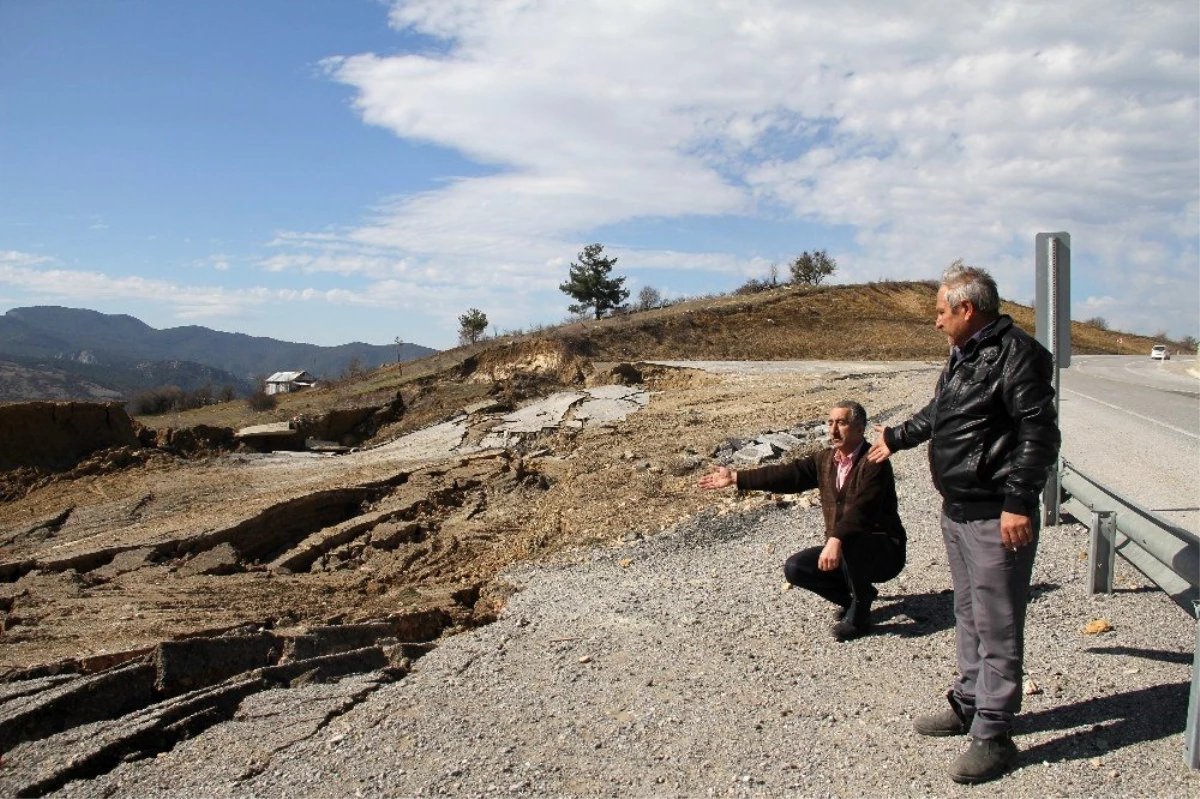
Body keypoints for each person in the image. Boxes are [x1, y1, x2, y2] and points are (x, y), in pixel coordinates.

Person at [867, 261, 1060, 785]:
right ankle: (969, 701)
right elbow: (941, 413)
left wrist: (1020, 502)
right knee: (969, 613)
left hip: (998, 515)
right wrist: (898, 436)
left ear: (966, 309)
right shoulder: (964, 354)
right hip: (959, 510)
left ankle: (994, 733)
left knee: (997, 622)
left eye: (940, 312)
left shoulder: (1019, 357)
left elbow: (1039, 435)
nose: (936, 322)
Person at [698, 400, 906, 641]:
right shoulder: (825, 460)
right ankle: (858, 599)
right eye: (830, 423)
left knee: (850, 540)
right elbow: (787, 475)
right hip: (844, 548)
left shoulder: (874, 462)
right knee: (796, 568)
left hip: (883, 551)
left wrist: (836, 539)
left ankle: (859, 617)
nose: (833, 430)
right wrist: (736, 477)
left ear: (860, 428)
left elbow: (863, 509)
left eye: (841, 423)